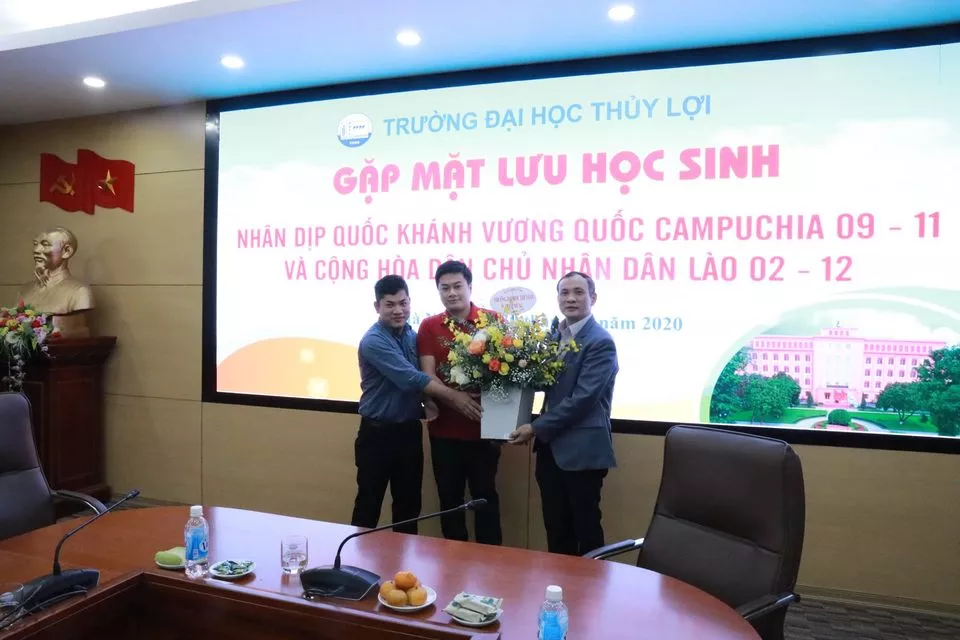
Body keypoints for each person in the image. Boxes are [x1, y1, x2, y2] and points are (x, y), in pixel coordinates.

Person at [353, 275, 482, 535]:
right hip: (376, 434)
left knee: (409, 506)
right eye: (390, 304)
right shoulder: (373, 341)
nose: (398, 310)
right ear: (377, 307)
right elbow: (411, 378)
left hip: (409, 432)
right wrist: (454, 397)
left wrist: (429, 400)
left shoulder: (412, 336)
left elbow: (423, 375)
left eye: (403, 303)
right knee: (369, 504)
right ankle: (353, 560)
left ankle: (402, 562)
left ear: (410, 302)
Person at [507, 271, 618, 556]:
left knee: (586, 532)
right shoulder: (555, 335)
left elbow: (582, 400)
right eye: (564, 292)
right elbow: (544, 383)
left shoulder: (600, 342)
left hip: (582, 453)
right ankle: (560, 584)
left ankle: (591, 585)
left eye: (579, 292)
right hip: (550, 449)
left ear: (593, 298)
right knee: (556, 529)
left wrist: (534, 428)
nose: (571, 298)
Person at [416, 260, 503, 545]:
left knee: (485, 497)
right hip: (444, 431)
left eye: (457, 286)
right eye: (445, 288)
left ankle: (492, 560)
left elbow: (506, 376)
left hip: (484, 430)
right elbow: (427, 376)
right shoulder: (429, 326)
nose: (452, 293)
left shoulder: (493, 321)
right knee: (449, 500)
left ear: (470, 287)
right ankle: (453, 561)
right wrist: (458, 401)